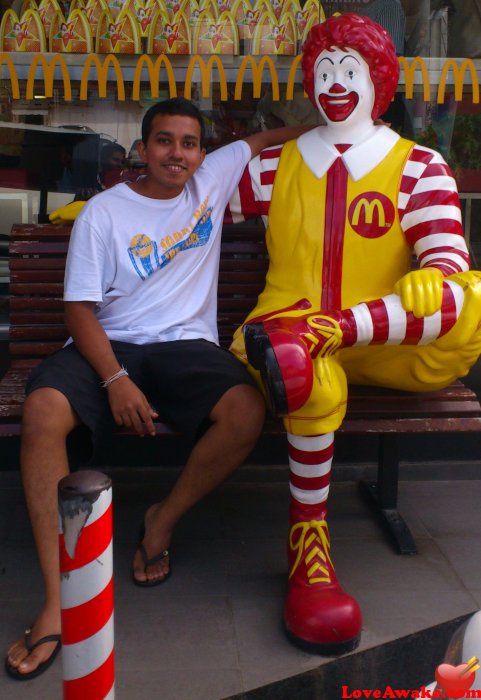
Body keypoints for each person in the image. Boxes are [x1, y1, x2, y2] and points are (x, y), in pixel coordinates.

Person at [5, 97, 311, 680]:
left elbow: (266, 141)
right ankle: (55, 600)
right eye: (165, 141)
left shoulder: (211, 180)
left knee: (247, 410)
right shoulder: (104, 212)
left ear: (202, 152)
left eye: (190, 143)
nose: (178, 153)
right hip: (109, 343)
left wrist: (338, 124)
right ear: (142, 151)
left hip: (185, 348)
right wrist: (115, 379)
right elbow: (78, 310)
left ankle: (161, 521)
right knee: (44, 411)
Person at [227, 13, 481, 655]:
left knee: (471, 297)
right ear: (309, 81)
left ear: (381, 80)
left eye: (351, 69)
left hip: (385, 339)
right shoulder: (270, 169)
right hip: (287, 334)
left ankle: (329, 330)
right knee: (298, 366)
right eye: (324, 69)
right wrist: (105, 207)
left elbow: (447, 254)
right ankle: (309, 548)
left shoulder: (419, 166)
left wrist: (437, 275)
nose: (336, 83)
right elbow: (187, 206)